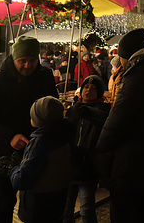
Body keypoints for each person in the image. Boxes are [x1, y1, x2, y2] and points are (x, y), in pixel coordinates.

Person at [0, 36, 59, 223]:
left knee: (37, 206)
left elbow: (53, 107)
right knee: (4, 206)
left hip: (38, 150)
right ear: (14, 59)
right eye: (22, 61)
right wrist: (10, 136)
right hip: (6, 154)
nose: (28, 66)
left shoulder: (45, 77)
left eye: (32, 61)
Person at [96, 28, 144, 222]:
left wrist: (99, 148)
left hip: (130, 164)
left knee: (126, 213)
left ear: (126, 56)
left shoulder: (137, 74)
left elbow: (119, 119)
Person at [7, 96, 72, 223]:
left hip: (37, 205)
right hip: (59, 198)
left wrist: (13, 169)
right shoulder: (65, 134)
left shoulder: (39, 142)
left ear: (38, 118)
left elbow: (23, 179)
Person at [63, 75, 111, 223]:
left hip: (88, 166)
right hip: (71, 164)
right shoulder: (74, 110)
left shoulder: (103, 111)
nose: (88, 90)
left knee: (86, 209)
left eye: (93, 88)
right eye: (86, 87)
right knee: (66, 208)